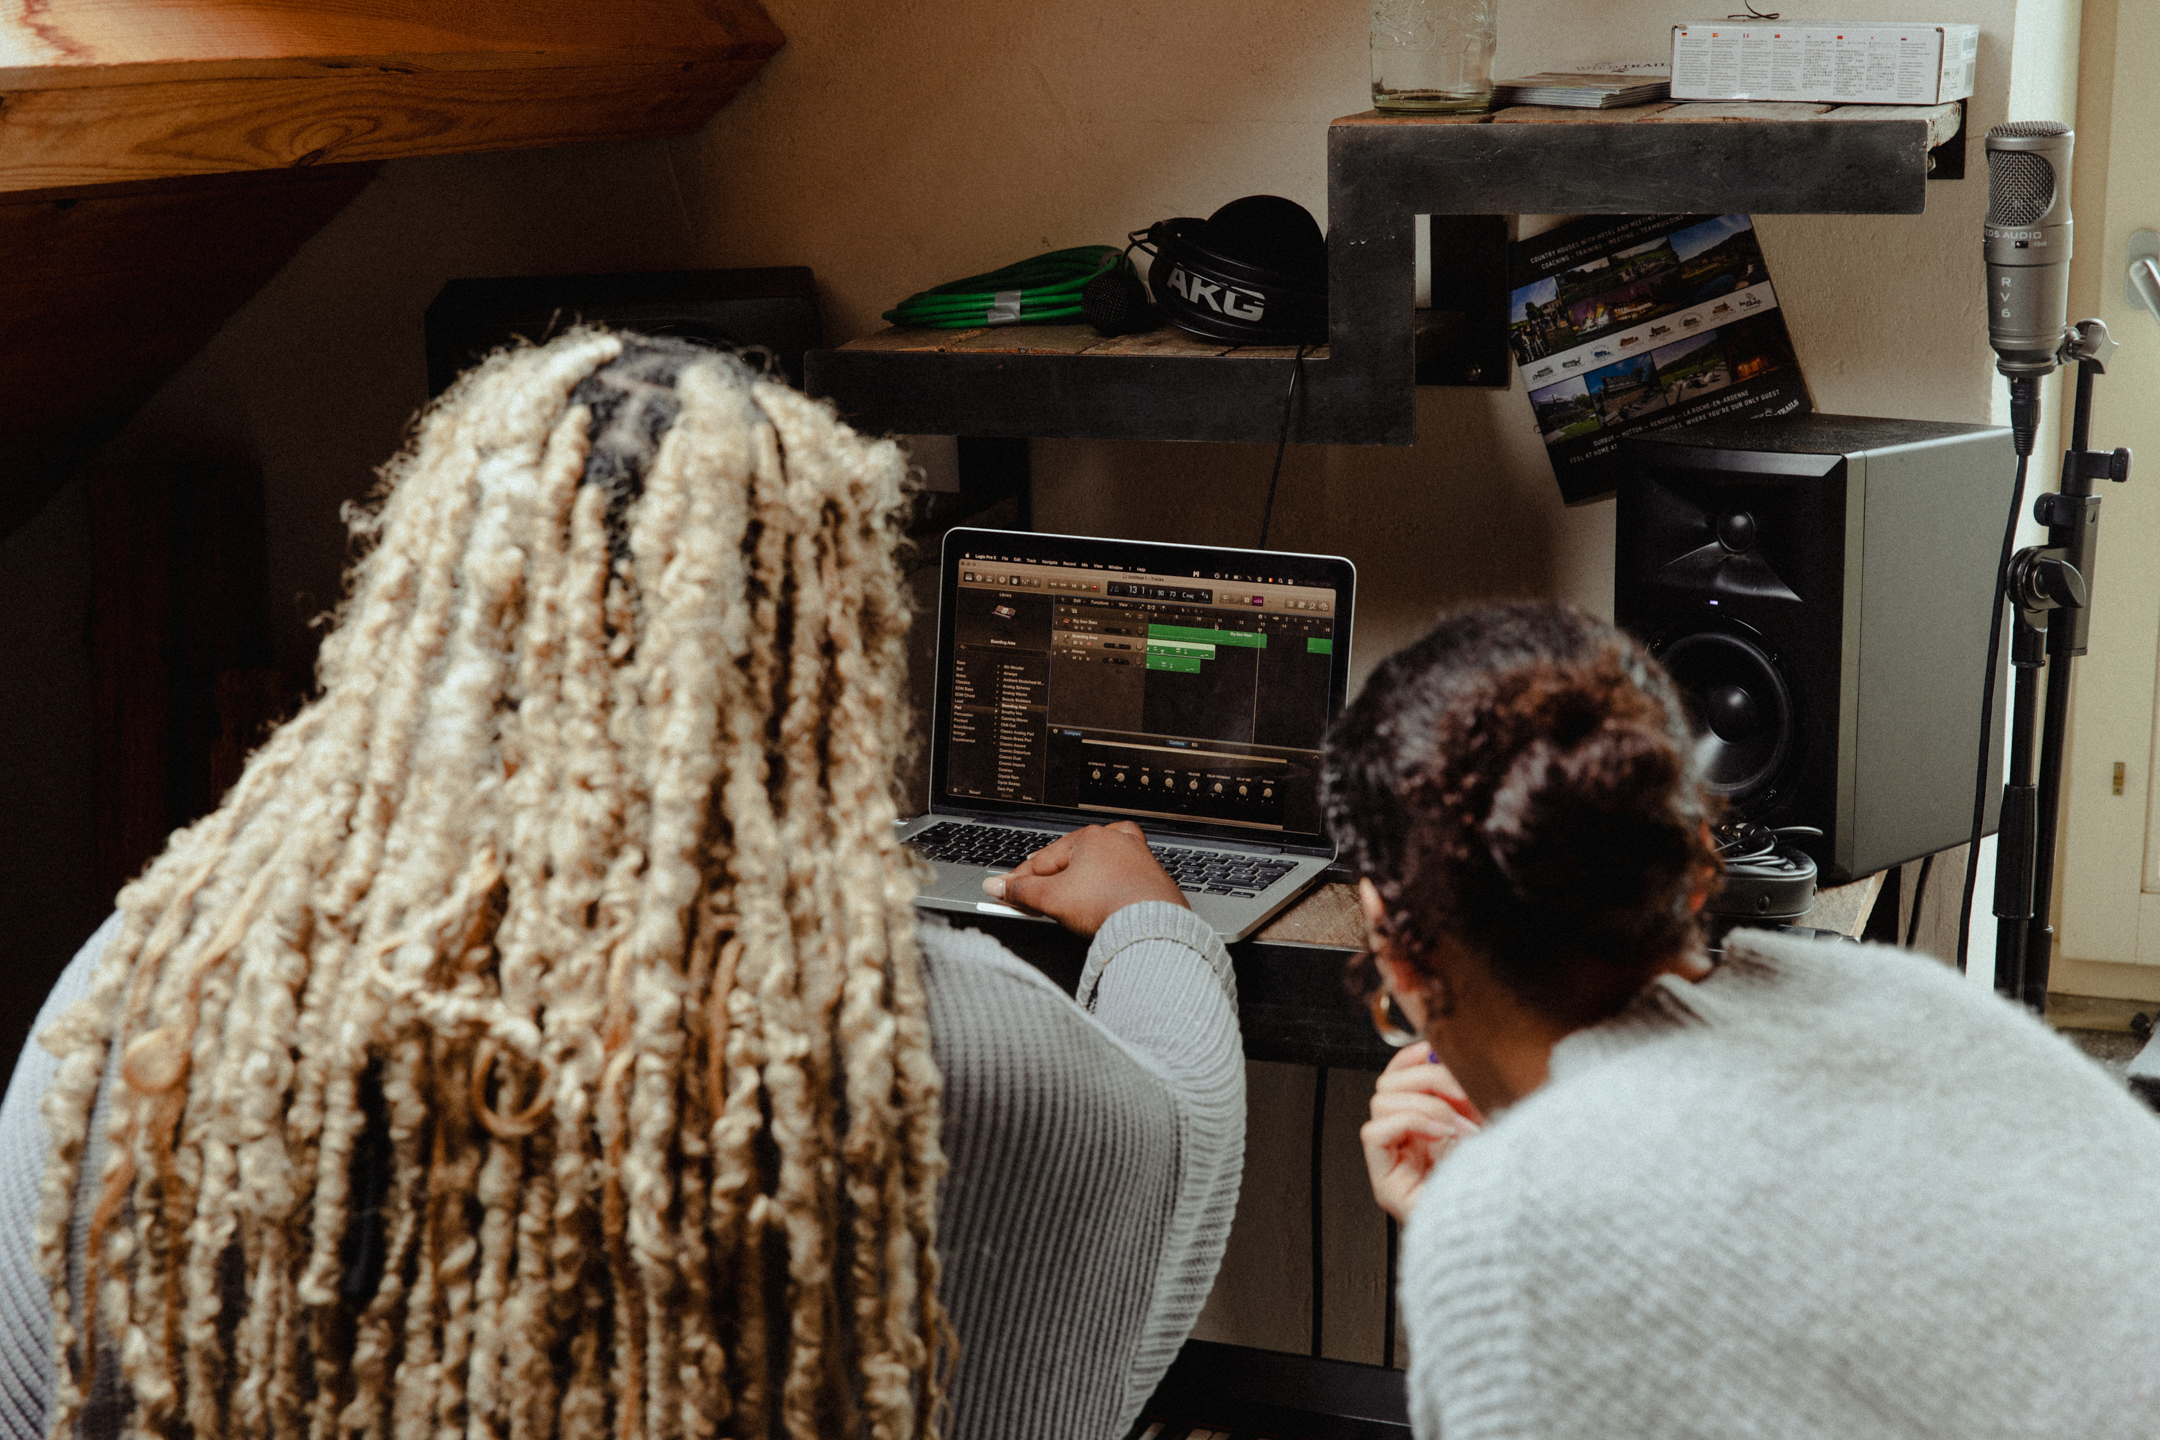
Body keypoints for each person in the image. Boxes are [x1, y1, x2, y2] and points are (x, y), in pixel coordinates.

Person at [0, 333, 1242, 1440]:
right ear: (825, 650)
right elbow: (1169, 1197)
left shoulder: (137, 1004)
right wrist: (1150, 924)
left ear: (417, 609)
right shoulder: (976, 1060)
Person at [1328, 602, 2160, 1439]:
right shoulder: (1888, 989)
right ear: (1697, 866)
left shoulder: (1512, 1231)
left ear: (1392, 938)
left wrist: (1485, 1219)